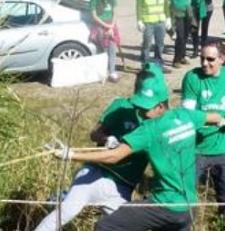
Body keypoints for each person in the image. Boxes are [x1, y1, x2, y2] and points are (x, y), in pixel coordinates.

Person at [50, 79, 224, 231]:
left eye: (146, 107)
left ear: (161, 106)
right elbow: (214, 117)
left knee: (106, 227)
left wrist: (71, 154)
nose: (140, 111)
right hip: (188, 207)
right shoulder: (186, 115)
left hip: (164, 204)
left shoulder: (149, 129)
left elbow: (114, 156)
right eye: (139, 105)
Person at [34, 66, 164, 231]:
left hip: (121, 189)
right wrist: (106, 138)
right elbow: (94, 134)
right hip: (96, 174)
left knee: (125, 226)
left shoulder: (161, 122)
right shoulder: (121, 106)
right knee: (64, 213)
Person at [180, 41, 225, 218]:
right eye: (202, 58)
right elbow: (188, 114)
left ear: (222, 59)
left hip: (224, 148)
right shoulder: (192, 77)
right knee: (184, 198)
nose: (204, 63)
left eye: (210, 59)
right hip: (196, 148)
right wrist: (212, 118)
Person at [136, 0, 170, 67]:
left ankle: (158, 64)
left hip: (160, 21)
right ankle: (145, 64)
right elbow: (139, 4)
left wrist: (168, 18)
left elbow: (165, 2)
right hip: (148, 21)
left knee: (160, 44)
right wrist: (139, 20)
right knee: (147, 44)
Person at [89, 0, 120, 82]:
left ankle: (112, 72)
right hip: (100, 26)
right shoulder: (94, 0)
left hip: (111, 25)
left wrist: (111, 26)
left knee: (112, 48)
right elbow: (94, 16)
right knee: (104, 49)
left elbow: (115, 13)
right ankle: (103, 71)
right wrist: (106, 26)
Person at [167, 0, 196, 68]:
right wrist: (168, 16)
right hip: (177, 15)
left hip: (187, 16)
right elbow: (168, 1)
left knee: (184, 37)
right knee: (179, 37)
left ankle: (182, 56)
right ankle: (176, 59)